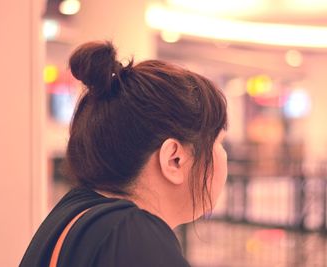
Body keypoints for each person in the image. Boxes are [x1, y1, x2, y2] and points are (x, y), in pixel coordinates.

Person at [20, 40, 228, 267]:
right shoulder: (131, 235)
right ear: (174, 159)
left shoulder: (75, 213)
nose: (223, 157)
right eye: (219, 142)